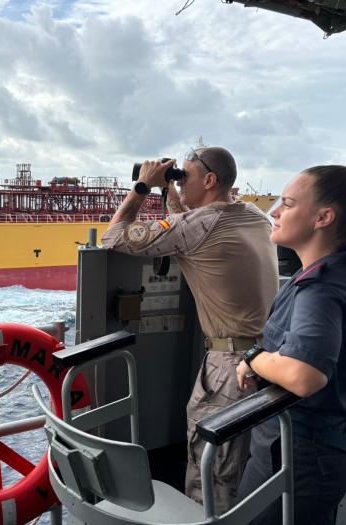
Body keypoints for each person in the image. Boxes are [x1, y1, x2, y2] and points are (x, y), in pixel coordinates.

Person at [101, 146, 278, 513]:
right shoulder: (255, 216)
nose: (180, 182)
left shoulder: (198, 226)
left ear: (210, 180)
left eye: (185, 176)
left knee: (209, 470)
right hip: (265, 357)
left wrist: (142, 187)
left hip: (229, 367)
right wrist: (173, 193)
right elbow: (192, 226)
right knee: (237, 462)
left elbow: (113, 237)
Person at [236, 164, 346, 524]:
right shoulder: (326, 274)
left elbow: (306, 375)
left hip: (299, 455)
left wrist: (253, 358)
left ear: (323, 217)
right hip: (302, 448)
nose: (274, 211)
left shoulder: (320, 289)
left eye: (287, 204)